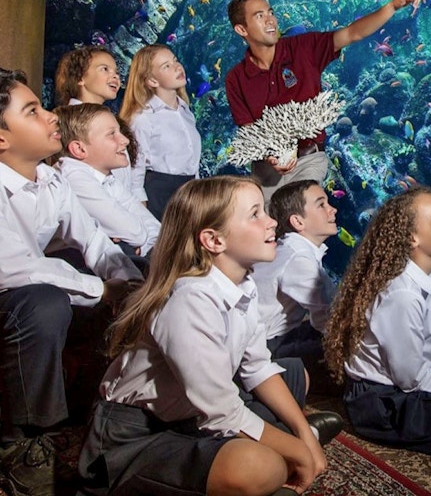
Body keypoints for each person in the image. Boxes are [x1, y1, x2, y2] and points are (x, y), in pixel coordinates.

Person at [78, 176, 343, 496]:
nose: (272, 222)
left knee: (294, 377)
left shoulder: (242, 285)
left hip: (190, 417)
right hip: (138, 432)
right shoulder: (189, 300)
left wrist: (303, 432)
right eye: (256, 214)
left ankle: (273, 445)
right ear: (214, 240)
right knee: (260, 467)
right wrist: (300, 451)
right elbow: (221, 410)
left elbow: (257, 366)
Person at [0, 69, 144, 495]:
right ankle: (19, 445)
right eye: (32, 111)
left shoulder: (49, 180)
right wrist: (102, 291)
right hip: (12, 297)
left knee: (139, 275)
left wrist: (132, 288)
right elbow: (13, 267)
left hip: (21, 293)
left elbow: (95, 241)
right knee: (44, 303)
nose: (51, 117)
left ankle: (120, 414)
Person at [225, 0, 427, 203]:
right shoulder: (235, 79)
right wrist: (270, 156)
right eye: (259, 15)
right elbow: (248, 130)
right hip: (266, 168)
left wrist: (393, 5)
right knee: (270, 224)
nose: (270, 19)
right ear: (241, 29)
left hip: (309, 158)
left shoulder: (304, 49)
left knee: (302, 211)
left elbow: (352, 34)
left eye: (270, 11)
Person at [324, 186, 431, 456]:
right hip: (386, 406)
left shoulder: (420, 282)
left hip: (402, 387)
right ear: (413, 238)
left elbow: (429, 355)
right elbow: (412, 380)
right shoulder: (403, 294)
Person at [252, 180, 338, 378]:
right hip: (266, 347)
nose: (332, 209)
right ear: (298, 222)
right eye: (321, 204)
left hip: (272, 338)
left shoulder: (293, 249)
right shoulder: (298, 258)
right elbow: (327, 320)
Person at [54, 103, 160, 263]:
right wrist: (135, 237)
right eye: (112, 134)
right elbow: (134, 232)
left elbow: (156, 231)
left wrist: (139, 239)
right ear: (80, 149)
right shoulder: (73, 176)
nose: (125, 140)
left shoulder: (107, 178)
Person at [119, 44, 202, 221]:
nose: (177, 67)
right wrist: (141, 212)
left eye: (175, 61)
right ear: (152, 81)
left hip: (189, 194)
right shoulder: (142, 118)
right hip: (160, 196)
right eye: (166, 66)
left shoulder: (185, 111)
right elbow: (135, 169)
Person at [54, 45, 135, 189]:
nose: (115, 76)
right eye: (104, 69)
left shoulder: (112, 119)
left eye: (116, 71)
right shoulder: (66, 121)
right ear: (80, 78)